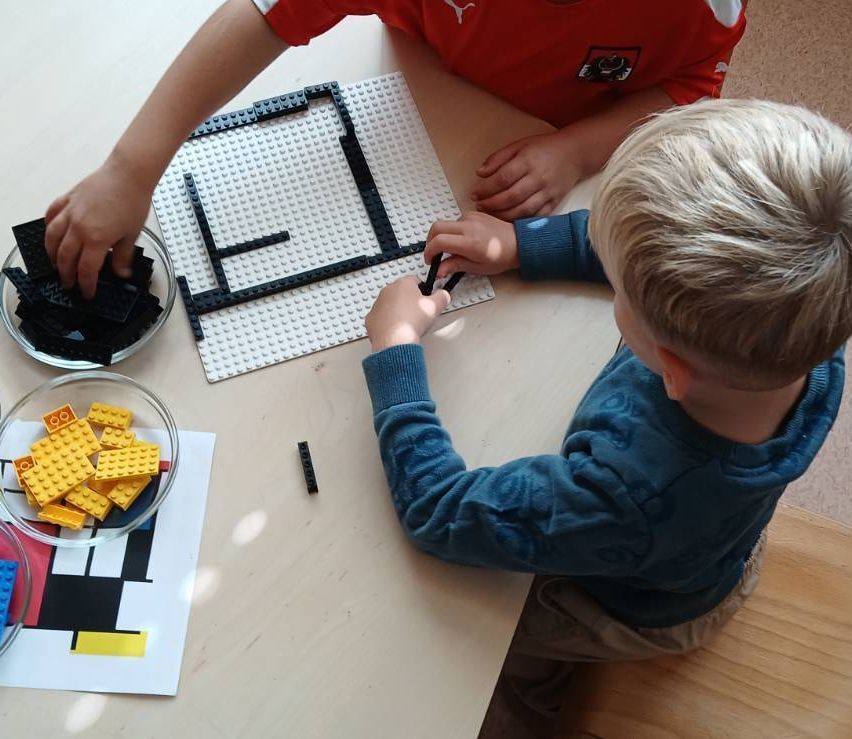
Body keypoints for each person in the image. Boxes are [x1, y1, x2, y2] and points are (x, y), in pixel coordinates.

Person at [362, 99, 852, 736]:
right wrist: (521, 244)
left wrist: (397, 350)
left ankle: (538, 698)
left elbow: (439, 513)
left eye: (624, 292)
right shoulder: (808, 316)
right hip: (709, 548)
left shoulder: (626, 494)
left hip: (631, 609)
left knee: (475, 622)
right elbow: (653, 252)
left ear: (669, 368)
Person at [44, 0, 745, 297]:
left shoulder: (699, 8)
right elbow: (265, 14)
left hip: (538, 150)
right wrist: (131, 168)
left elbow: (690, 89)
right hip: (413, 77)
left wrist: (578, 151)